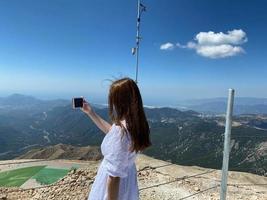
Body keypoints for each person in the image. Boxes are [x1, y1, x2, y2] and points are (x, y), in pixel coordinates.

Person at [81, 77, 151, 200]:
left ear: (120, 101)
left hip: (114, 188)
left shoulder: (121, 132)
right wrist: (91, 112)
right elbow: (112, 132)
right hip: (128, 181)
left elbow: (114, 177)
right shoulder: (137, 124)